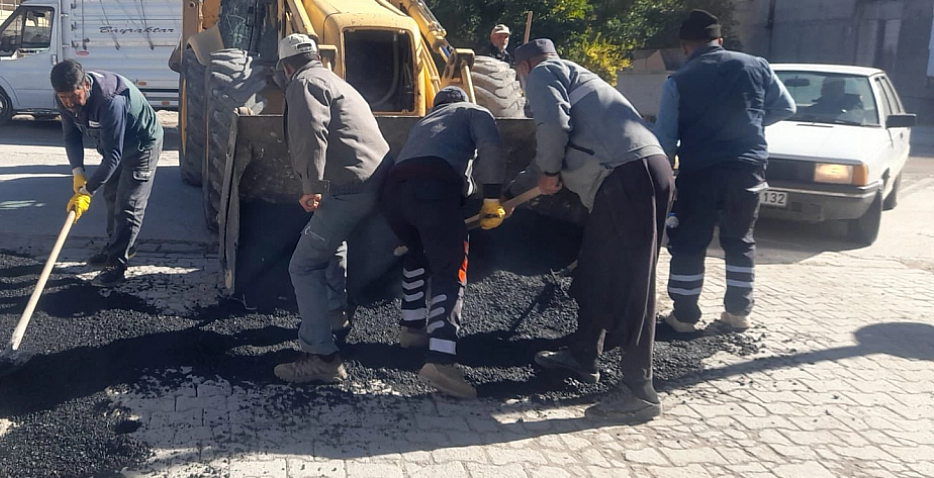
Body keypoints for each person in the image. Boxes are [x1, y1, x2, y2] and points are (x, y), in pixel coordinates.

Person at [515, 38, 674, 423]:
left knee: (634, 282)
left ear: (524, 66)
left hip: (627, 178)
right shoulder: (582, 77)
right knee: (598, 268)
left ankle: (639, 390)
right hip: (641, 172)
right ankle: (583, 355)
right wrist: (514, 189)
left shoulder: (544, 72)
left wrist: (549, 172)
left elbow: (553, 124)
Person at [654, 10, 796, 333]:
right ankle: (737, 314)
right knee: (740, 240)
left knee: (690, 240)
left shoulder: (678, 80)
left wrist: (664, 178)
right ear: (720, 41)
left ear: (686, 47)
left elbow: (665, 140)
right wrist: (752, 123)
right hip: (747, 169)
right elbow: (787, 106)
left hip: (699, 172)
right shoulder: (756, 65)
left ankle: (685, 317)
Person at [274, 34, 390, 384]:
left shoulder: (303, 83)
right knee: (332, 241)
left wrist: (312, 187)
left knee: (303, 265)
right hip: (376, 181)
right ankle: (334, 314)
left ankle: (321, 356)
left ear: (286, 66)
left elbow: (312, 133)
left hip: (349, 189)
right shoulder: (335, 80)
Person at [380, 86, 508, 399]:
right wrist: (492, 197)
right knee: (450, 270)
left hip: (394, 195)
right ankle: (440, 360)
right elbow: (491, 147)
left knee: (417, 253)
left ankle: (411, 330)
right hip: (433, 189)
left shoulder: (423, 123)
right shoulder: (474, 112)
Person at [52, 59, 164, 287]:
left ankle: (116, 263)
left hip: (142, 145)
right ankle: (118, 246)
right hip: (114, 144)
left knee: (128, 205)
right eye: (64, 98)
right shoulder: (62, 98)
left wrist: (87, 191)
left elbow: (113, 156)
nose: (70, 103)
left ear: (85, 86)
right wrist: (78, 172)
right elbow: (71, 137)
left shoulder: (109, 100)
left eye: (74, 97)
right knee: (112, 197)